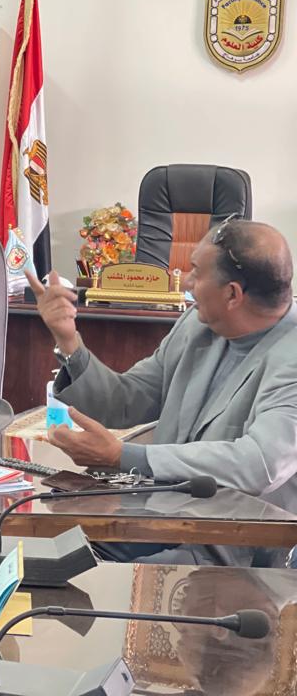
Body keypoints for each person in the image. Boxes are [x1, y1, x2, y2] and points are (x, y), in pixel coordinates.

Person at [28, 216, 297, 566]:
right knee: (34, 549)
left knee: (81, 577)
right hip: (160, 520)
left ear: (232, 294)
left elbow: (258, 464)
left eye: (196, 272)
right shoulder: (197, 325)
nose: (187, 282)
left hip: (230, 548)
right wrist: (68, 340)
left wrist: (124, 456)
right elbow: (126, 400)